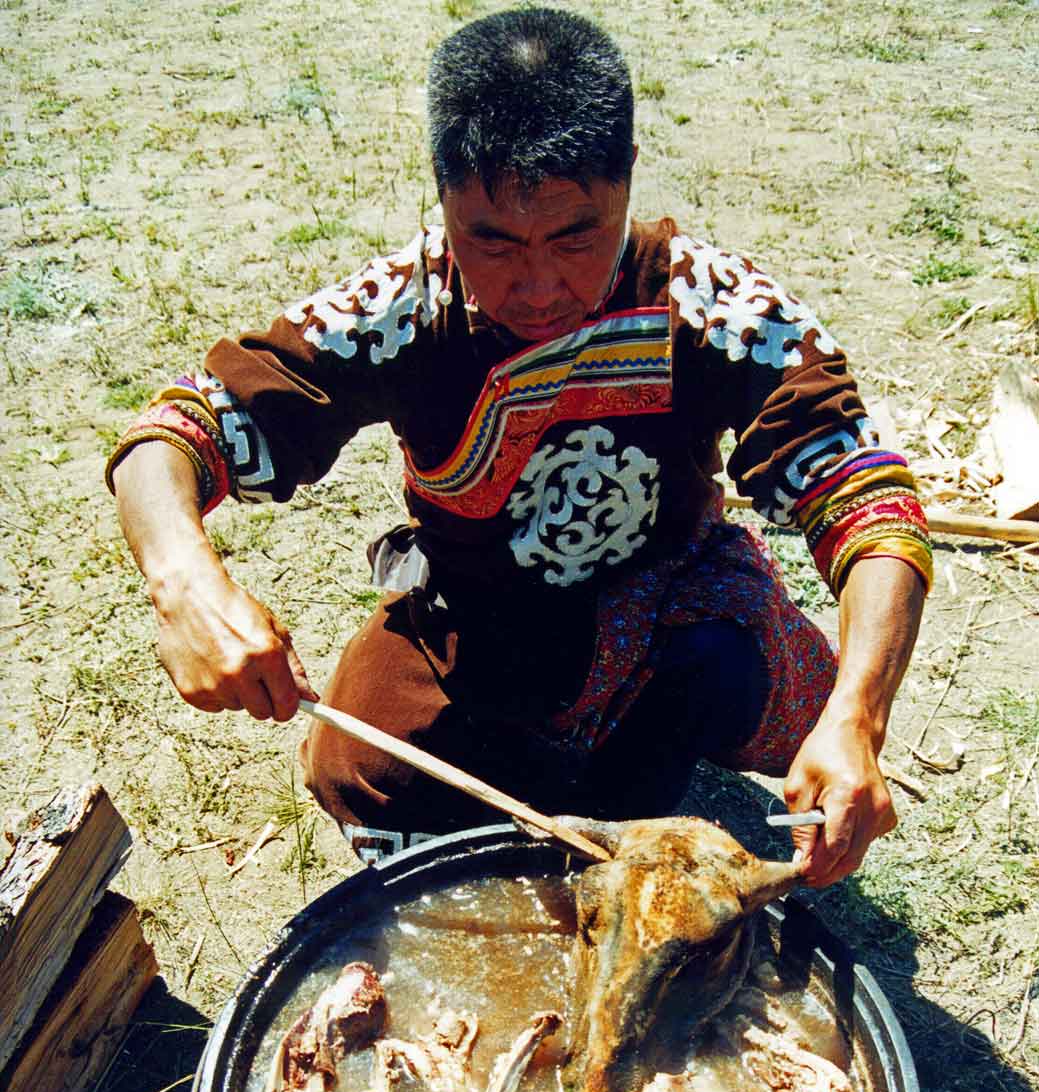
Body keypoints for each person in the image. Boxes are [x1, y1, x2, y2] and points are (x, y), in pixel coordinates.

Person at [107, 8, 930, 889]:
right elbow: (183, 428)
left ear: (627, 180)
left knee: (715, 682)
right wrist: (182, 578)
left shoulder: (708, 304)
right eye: (490, 241)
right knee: (358, 768)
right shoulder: (402, 311)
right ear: (442, 195)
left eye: (577, 235)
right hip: (478, 614)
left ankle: (636, 776)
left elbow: (864, 493)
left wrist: (858, 715)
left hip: (670, 603)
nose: (538, 287)